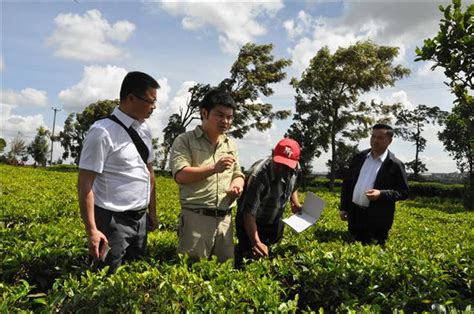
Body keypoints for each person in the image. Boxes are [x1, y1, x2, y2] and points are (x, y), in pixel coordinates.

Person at [78, 71, 159, 273]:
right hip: (112, 220)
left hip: (139, 219)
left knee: (134, 275)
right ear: (131, 98)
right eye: (150, 102)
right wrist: (92, 231)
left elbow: (149, 172)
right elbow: (85, 184)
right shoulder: (102, 132)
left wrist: (152, 212)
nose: (154, 108)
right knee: (105, 275)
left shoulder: (145, 130)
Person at [169, 88, 244, 263]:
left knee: (223, 273)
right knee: (190, 273)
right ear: (204, 113)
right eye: (220, 115)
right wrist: (214, 168)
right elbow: (181, 175)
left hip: (225, 219)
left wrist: (237, 185)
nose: (226, 121)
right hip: (196, 219)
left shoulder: (230, 144)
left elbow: (238, 173)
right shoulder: (185, 140)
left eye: (230, 117)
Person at [235, 138, 302, 266]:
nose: (282, 169)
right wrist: (256, 242)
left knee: (272, 259)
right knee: (249, 259)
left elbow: (294, 186)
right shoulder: (259, 175)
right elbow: (249, 213)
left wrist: (295, 203)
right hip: (252, 222)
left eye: (287, 166)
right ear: (272, 155)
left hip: (275, 220)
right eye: (279, 164)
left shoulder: (295, 168)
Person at [340, 123, 409, 245]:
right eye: (373, 137)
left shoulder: (395, 164)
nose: (375, 141)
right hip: (355, 216)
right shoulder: (359, 157)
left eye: (380, 138)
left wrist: (381, 194)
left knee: (372, 254)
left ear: (389, 141)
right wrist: (344, 207)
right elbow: (347, 184)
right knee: (351, 249)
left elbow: (403, 192)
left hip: (377, 221)